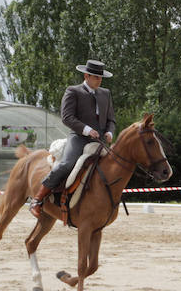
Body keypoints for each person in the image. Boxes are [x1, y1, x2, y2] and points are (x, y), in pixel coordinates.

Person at [29, 59, 116, 218]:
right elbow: (67, 117)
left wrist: (110, 132)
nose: (99, 80)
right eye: (96, 77)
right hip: (79, 138)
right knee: (66, 164)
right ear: (86, 75)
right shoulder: (73, 91)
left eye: (101, 77)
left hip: (101, 141)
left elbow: (111, 120)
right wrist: (87, 130)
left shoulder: (106, 94)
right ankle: (37, 200)